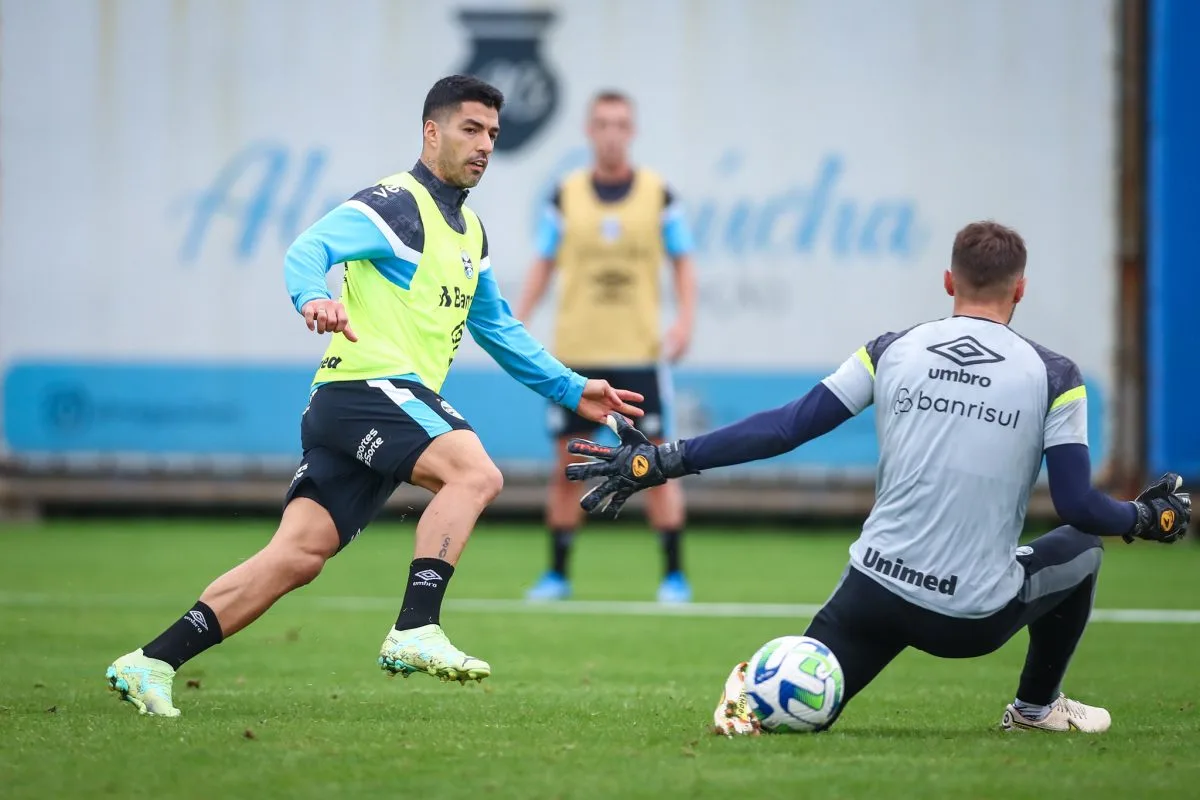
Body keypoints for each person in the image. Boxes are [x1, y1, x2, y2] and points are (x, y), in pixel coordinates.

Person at [104, 75, 644, 717]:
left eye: (493, 135)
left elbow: (496, 327)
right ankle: (416, 627)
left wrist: (572, 387)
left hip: (357, 405)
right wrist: (315, 299)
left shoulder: (470, 231)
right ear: (432, 131)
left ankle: (150, 661)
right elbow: (308, 250)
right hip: (366, 387)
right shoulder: (396, 204)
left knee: (297, 556)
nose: (485, 146)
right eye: (471, 129)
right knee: (475, 475)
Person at [564, 221, 1192, 734]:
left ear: (948, 280)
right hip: (968, 618)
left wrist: (664, 461)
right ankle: (1034, 711)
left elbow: (787, 427)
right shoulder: (1055, 375)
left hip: (871, 595)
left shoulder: (893, 347)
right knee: (1080, 550)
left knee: (790, 709)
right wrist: (1143, 517)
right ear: (1020, 290)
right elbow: (1078, 504)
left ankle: (753, 695)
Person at [516, 90, 698, 604]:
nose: (612, 133)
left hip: (639, 356)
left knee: (657, 466)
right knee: (565, 466)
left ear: (632, 131)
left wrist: (684, 320)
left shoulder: (659, 195)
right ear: (589, 131)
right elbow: (543, 262)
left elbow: (684, 261)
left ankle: (673, 576)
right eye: (602, 124)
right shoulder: (565, 195)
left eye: (621, 124)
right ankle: (556, 574)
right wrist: (517, 319)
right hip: (576, 357)